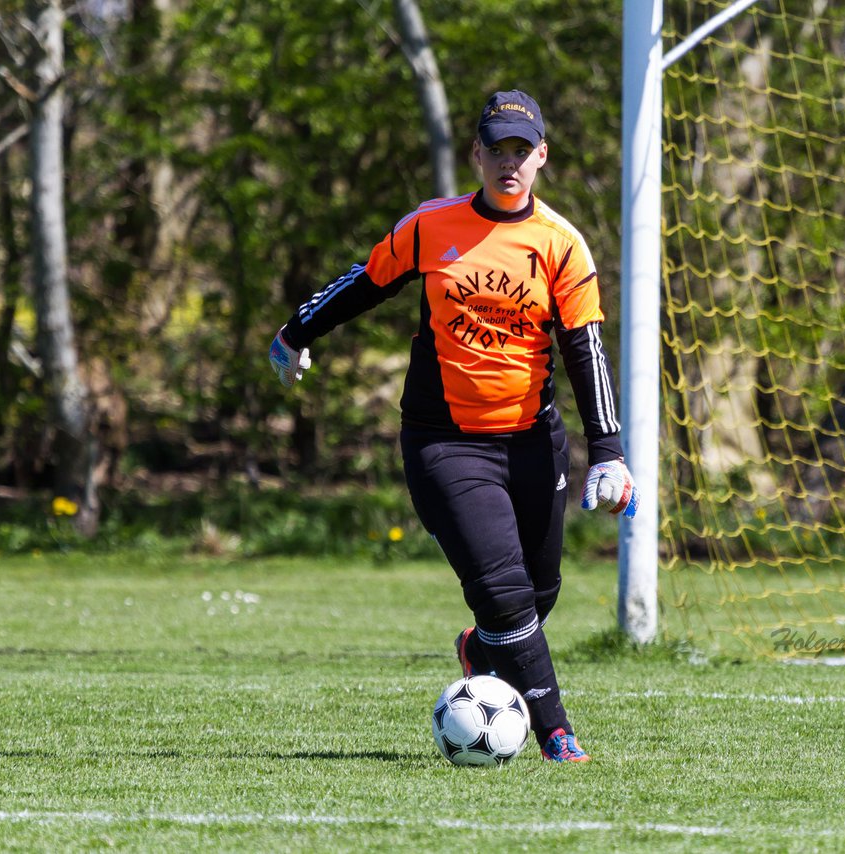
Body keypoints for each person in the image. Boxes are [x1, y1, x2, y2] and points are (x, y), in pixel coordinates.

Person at [268, 90, 638, 763]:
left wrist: (608, 451)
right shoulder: (431, 226)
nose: (509, 162)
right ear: (476, 153)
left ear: (542, 157)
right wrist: (296, 331)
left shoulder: (561, 245)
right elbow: (367, 280)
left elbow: (585, 349)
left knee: (537, 591)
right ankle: (556, 731)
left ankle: (484, 655)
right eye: (497, 148)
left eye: (522, 151)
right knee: (502, 591)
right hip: (445, 442)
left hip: (531, 440)